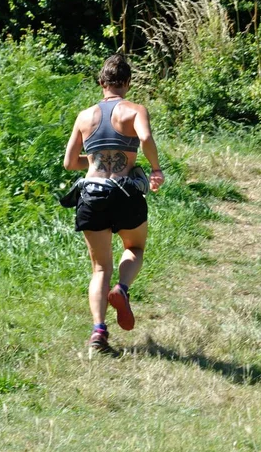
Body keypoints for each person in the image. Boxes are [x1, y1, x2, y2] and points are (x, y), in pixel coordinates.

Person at [63, 54, 165, 352]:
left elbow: (70, 163)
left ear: (101, 83)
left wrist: (96, 161)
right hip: (124, 193)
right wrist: (156, 169)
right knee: (134, 248)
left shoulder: (84, 116)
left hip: (91, 192)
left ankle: (98, 332)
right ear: (128, 83)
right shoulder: (135, 110)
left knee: (99, 268)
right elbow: (145, 138)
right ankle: (122, 288)